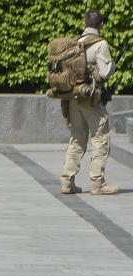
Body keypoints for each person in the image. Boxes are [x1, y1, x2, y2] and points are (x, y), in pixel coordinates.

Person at [60, 9, 119, 196]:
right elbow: (103, 73)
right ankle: (97, 183)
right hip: (92, 100)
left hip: (73, 99)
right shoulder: (101, 45)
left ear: (84, 24)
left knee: (77, 139)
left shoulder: (75, 43)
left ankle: (67, 182)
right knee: (100, 139)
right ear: (101, 25)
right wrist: (113, 67)